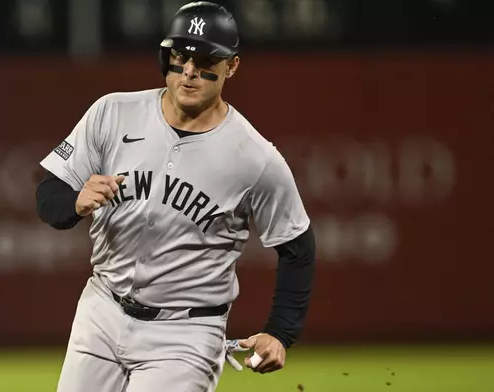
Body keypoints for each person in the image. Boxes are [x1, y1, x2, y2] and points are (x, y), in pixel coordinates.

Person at [35, 2, 316, 391]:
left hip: (185, 332)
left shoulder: (255, 157)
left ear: (231, 66)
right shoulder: (113, 112)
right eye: (180, 56)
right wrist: (73, 203)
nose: (188, 71)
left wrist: (280, 333)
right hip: (101, 309)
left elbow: (297, 245)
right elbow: (49, 190)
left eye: (205, 60)